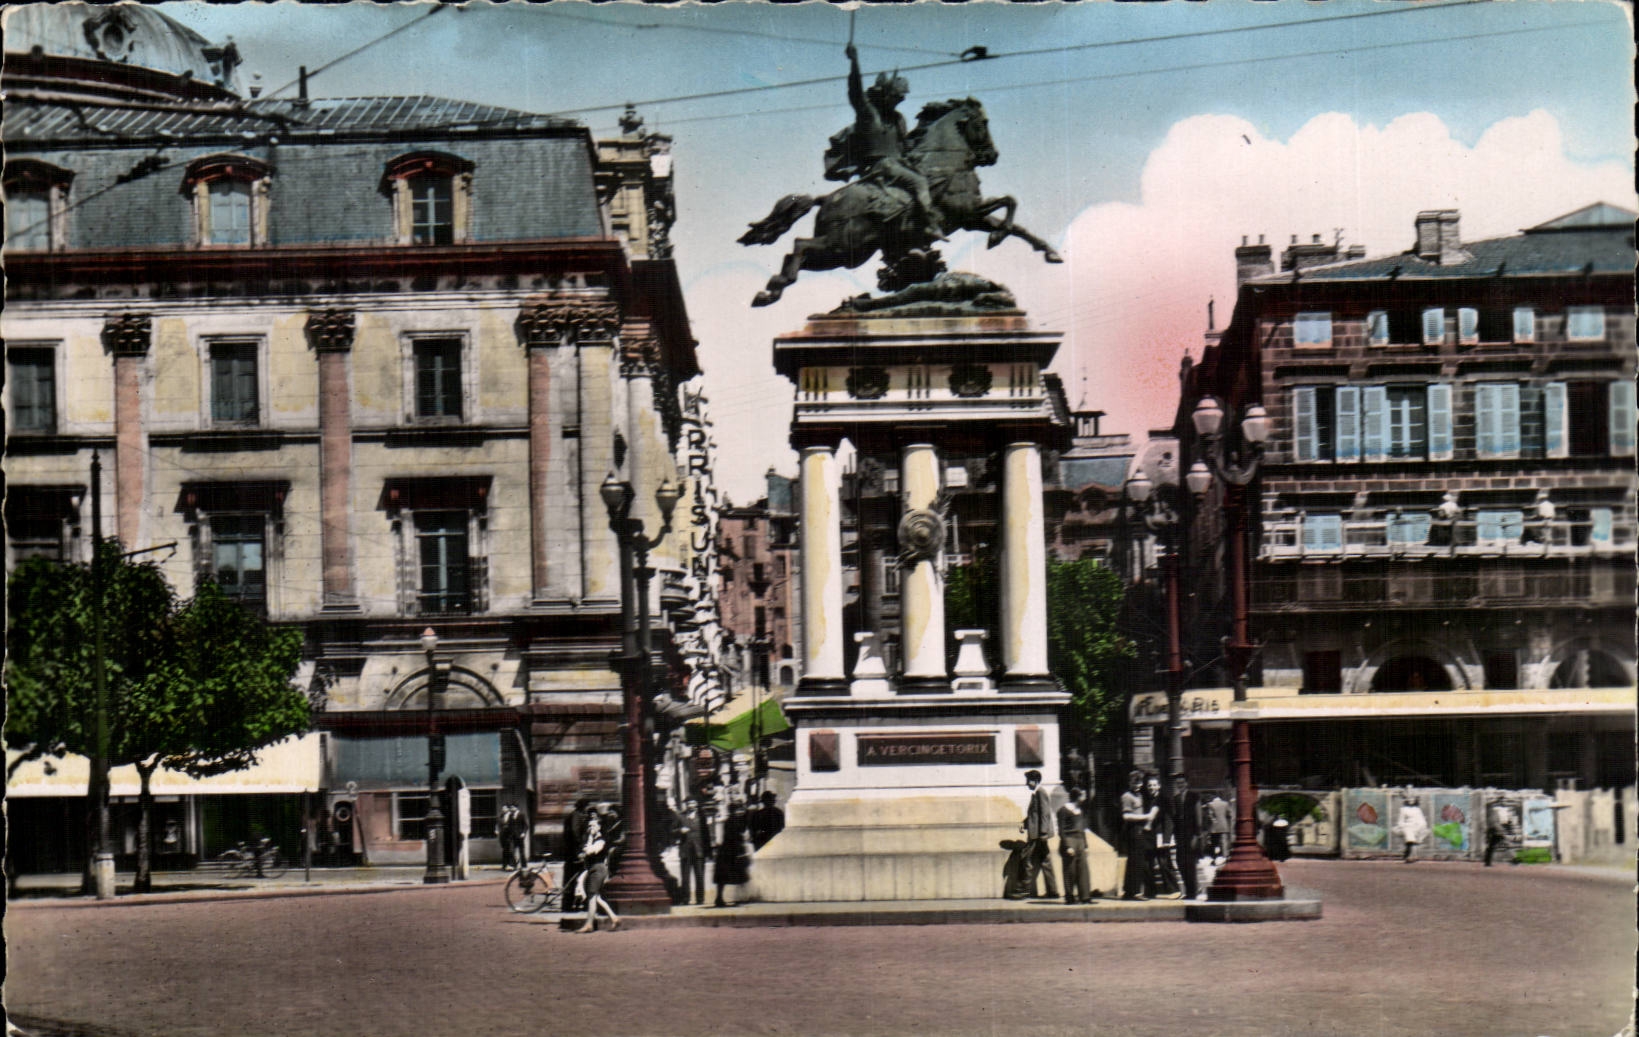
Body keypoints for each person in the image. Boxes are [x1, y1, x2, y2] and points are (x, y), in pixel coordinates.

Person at [829, 43, 943, 239]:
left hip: (897, 164)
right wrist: (854, 62)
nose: (898, 102)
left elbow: (905, 147)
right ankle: (930, 224)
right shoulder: (868, 113)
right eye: (895, 97)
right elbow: (855, 90)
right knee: (920, 182)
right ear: (884, 95)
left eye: (900, 99)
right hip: (880, 166)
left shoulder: (898, 119)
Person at [1012, 770, 1059, 901]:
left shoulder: (1040, 792)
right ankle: (1053, 891)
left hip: (1038, 835)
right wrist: (1024, 823)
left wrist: (1043, 833)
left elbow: (1045, 813)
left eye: (1029, 781)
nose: (1027, 783)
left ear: (1035, 781)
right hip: (1038, 834)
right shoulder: (1036, 793)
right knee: (1045, 862)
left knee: (1026, 859)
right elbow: (1035, 814)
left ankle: (1023, 890)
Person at [574, 810, 620, 933]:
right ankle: (614, 918)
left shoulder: (601, 840)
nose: (590, 828)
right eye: (589, 825)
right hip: (592, 869)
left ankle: (589, 924)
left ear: (599, 827)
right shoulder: (592, 839)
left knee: (592, 896)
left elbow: (590, 851)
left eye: (593, 825)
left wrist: (587, 844)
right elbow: (583, 851)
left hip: (598, 869)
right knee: (596, 897)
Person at [1120, 770, 1157, 901]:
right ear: (1129, 782)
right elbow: (1126, 816)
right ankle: (1135, 892)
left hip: (1141, 830)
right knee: (1135, 861)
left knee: (1136, 861)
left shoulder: (1140, 795)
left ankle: (1129, 891)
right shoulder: (1127, 796)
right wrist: (1145, 817)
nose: (1137, 785)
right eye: (1134, 782)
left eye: (1139, 782)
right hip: (1133, 830)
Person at [1056, 785, 1096, 904]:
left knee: (1083, 870)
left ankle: (1085, 897)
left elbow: (1082, 829)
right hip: (1069, 840)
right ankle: (1070, 897)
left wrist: (1086, 845)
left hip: (1080, 842)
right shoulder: (1063, 810)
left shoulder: (1080, 810)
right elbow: (1061, 830)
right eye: (1083, 795)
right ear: (1077, 797)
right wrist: (1067, 846)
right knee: (1070, 870)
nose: (1085, 797)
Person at [1166, 776, 1204, 901]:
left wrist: (1197, 836)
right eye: (1178, 783)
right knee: (1180, 862)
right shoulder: (1176, 798)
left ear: (1187, 783)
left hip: (1191, 835)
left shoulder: (1194, 797)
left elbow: (1198, 818)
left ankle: (1192, 892)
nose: (1180, 785)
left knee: (1190, 864)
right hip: (1180, 836)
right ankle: (1189, 890)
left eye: (1182, 782)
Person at [713, 798, 752, 907]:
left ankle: (720, 898)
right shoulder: (734, 821)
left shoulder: (731, 820)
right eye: (738, 810)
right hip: (732, 852)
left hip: (726, 852)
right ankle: (739, 897)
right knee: (738, 876)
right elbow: (736, 836)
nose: (740, 812)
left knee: (723, 878)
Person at [675, 799, 711, 905]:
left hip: (699, 850)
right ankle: (686, 899)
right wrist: (679, 831)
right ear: (686, 804)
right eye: (689, 803)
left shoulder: (702, 817)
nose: (691, 806)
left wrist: (708, 852)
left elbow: (706, 835)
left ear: (696, 804)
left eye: (694, 803)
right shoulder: (680, 816)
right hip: (685, 851)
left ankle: (700, 899)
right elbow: (672, 831)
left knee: (700, 876)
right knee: (685, 877)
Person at [560, 797, 593, 911]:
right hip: (574, 853)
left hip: (573, 851)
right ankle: (568, 905)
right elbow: (575, 833)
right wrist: (580, 849)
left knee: (575, 878)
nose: (588, 808)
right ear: (583, 806)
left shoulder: (576, 815)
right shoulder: (577, 816)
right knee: (572, 878)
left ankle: (570, 904)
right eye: (587, 806)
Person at [1397, 796, 1429, 863]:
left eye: (1412, 799)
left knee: (1415, 839)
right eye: (1409, 799)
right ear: (1407, 800)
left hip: (1417, 826)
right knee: (1410, 838)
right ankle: (1412, 856)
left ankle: (1414, 855)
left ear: (1415, 800)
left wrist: (1422, 826)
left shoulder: (1417, 809)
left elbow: (1421, 819)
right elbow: (1400, 820)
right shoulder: (1403, 809)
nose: (1411, 800)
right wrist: (1402, 826)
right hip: (1408, 826)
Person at [1485, 799, 1517, 867]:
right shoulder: (1495, 811)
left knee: (1492, 847)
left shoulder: (1495, 811)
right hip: (1498, 831)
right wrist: (1502, 830)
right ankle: (1513, 860)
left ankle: (1487, 862)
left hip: (1497, 831)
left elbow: (1497, 822)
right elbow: (1495, 822)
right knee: (1506, 845)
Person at [1207, 792, 1233, 860]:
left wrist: (1213, 822)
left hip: (1214, 826)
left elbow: (1210, 815)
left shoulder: (1210, 804)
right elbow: (1229, 814)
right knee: (1224, 841)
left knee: (1214, 842)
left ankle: (1214, 857)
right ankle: (1225, 856)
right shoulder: (1225, 803)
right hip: (1224, 825)